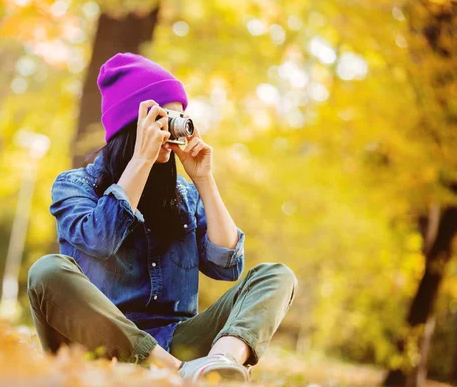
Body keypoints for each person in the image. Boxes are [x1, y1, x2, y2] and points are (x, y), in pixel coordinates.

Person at [27, 52, 298, 382]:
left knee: (275, 276)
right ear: (133, 125)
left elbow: (226, 266)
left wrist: (204, 180)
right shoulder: (75, 185)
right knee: (46, 270)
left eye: (178, 118)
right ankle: (179, 373)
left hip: (176, 343)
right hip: (96, 346)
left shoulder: (183, 194)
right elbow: (101, 240)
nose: (174, 128)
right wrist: (141, 159)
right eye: (163, 119)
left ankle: (218, 366)